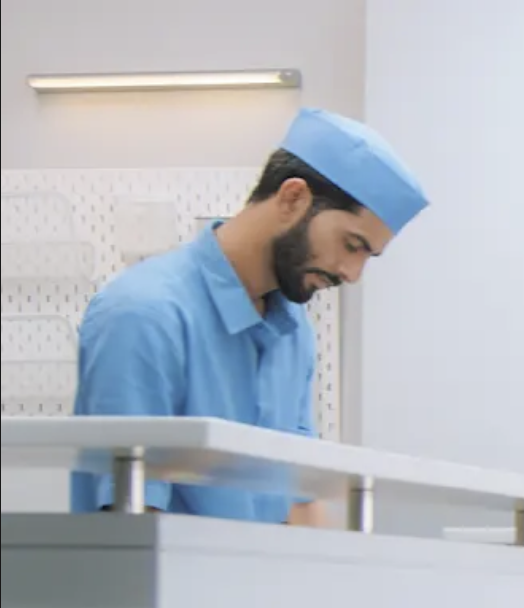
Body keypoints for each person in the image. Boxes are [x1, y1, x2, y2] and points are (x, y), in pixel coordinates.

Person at [69, 109, 428, 522]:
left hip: (256, 582)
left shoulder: (292, 331)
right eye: (352, 245)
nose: (352, 273)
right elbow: (130, 517)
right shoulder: (144, 315)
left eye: (369, 256)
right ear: (293, 198)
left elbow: (299, 498)